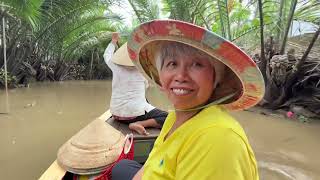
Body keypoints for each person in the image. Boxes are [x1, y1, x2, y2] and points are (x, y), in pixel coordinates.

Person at [111, 20, 265, 180]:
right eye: (172, 63)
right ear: (160, 76)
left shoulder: (217, 139)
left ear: (216, 78)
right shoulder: (174, 117)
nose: (181, 76)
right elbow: (151, 164)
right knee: (121, 167)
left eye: (197, 64)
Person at [103, 32, 168, 135]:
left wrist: (113, 42)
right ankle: (140, 123)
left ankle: (139, 118)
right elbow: (146, 86)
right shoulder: (142, 71)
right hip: (135, 116)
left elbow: (107, 55)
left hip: (116, 114)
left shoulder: (115, 66)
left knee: (144, 100)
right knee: (167, 117)